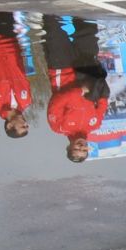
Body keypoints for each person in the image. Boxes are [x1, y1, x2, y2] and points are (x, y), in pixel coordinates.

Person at [43, 17, 109, 164]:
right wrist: (100, 88)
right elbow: (103, 103)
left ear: (69, 147)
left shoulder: (58, 127)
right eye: (84, 150)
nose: (81, 147)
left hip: (63, 68)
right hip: (86, 67)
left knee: (53, 28)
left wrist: (80, 91)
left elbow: (56, 102)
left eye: (76, 149)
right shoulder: (95, 124)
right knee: (87, 27)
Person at [0, 16, 32, 137]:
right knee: (4, 11)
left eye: (22, 126)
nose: (25, 123)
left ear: (10, 125)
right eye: (27, 125)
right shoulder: (27, 100)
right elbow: (23, 72)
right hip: (11, 46)